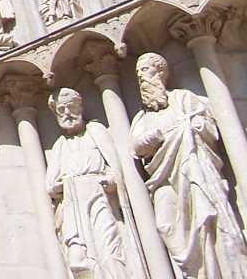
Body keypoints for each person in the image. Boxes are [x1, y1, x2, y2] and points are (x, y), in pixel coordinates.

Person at [130, 53, 247, 279]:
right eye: (138, 73)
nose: (141, 77)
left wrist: (196, 125)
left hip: (194, 169)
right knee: (165, 225)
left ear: (160, 72)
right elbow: (135, 147)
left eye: (145, 70)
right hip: (164, 180)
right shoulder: (143, 117)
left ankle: (219, 271)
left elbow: (211, 128)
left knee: (206, 217)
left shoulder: (184, 99)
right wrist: (151, 138)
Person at [46, 88, 130, 279]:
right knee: (78, 261)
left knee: (109, 251)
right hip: (72, 207)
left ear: (81, 107)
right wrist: (62, 184)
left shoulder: (95, 131)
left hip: (100, 200)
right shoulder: (60, 145)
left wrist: (110, 180)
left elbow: (116, 167)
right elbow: (50, 185)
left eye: (71, 107)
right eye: (61, 109)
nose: (67, 113)